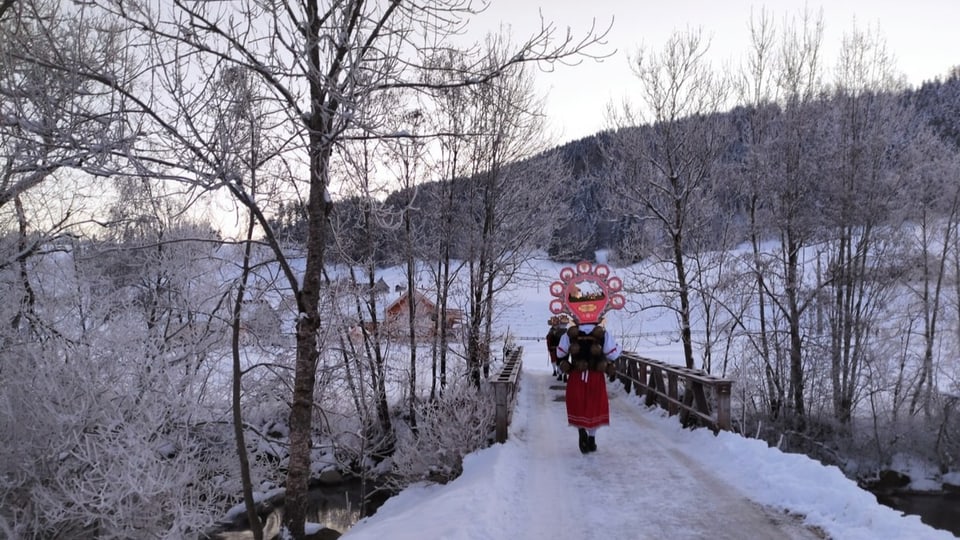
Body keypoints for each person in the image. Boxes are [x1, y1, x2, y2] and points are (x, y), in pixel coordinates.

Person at [555, 317, 620, 453]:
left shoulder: (570, 333)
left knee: (578, 404)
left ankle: (581, 430)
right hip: (596, 375)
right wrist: (619, 349)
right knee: (594, 406)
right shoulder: (604, 333)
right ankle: (591, 438)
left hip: (577, 375)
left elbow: (560, 352)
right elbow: (612, 354)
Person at [545, 315, 569, 381]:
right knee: (565, 361)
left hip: (558, 349)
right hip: (565, 349)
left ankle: (561, 375)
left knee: (559, 362)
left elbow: (550, 340)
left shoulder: (555, 332)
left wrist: (551, 347)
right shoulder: (568, 332)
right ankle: (564, 375)